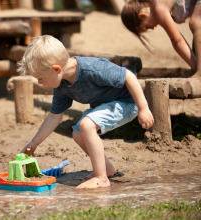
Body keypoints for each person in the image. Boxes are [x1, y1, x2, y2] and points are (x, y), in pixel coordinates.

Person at [17, 35, 154, 189]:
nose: (39, 83)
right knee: (78, 133)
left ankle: (101, 179)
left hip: (128, 102)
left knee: (86, 125)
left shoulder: (91, 68)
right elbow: (54, 116)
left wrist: (144, 109)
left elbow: (128, 76)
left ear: (56, 69)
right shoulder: (61, 85)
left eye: (40, 78)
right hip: (107, 105)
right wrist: (34, 143)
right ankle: (106, 169)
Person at [121, 0, 201, 78]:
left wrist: (197, 68)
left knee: (196, 23)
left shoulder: (159, 9)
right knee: (197, 32)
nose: (152, 28)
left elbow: (177, 41)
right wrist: (194, 66)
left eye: (147, 27)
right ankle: (197, 68)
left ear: (142, 15)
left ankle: (199, 71)